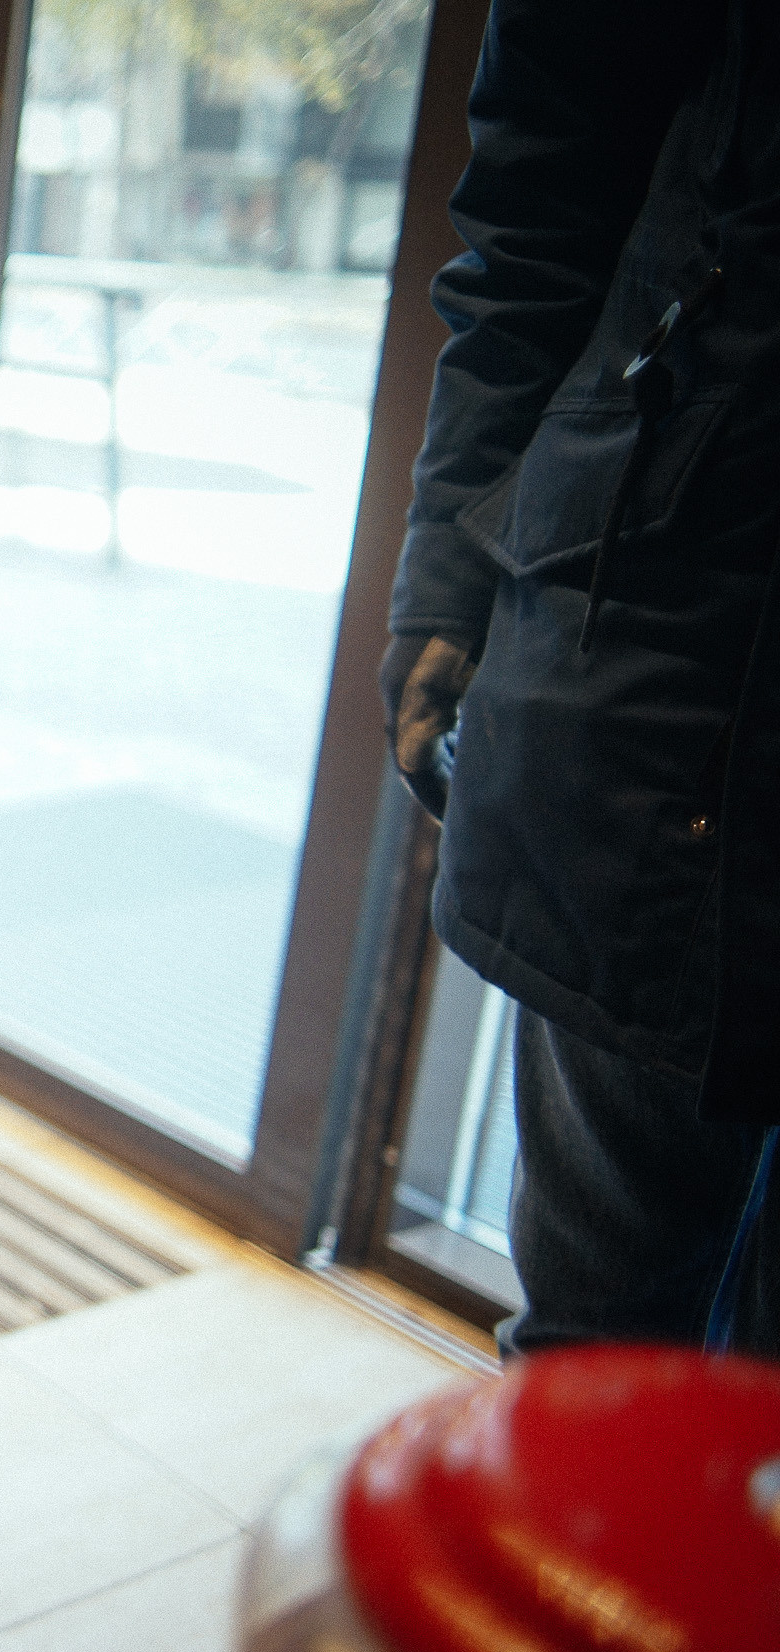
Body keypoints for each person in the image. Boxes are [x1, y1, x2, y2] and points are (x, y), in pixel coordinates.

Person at [383, 0, 778, 1357]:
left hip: (647, 638)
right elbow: (537, 212)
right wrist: (449, 580)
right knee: (600, 1357)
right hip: (658, 658)